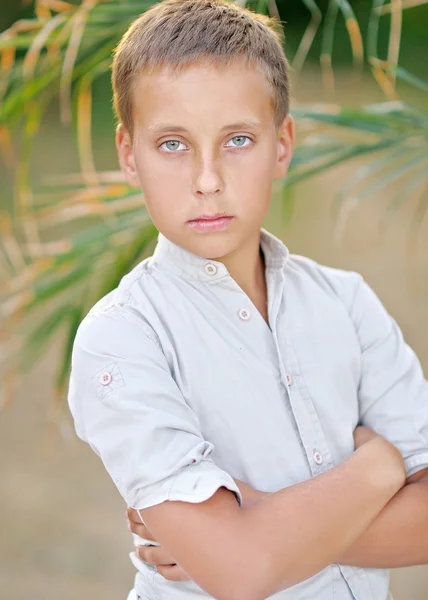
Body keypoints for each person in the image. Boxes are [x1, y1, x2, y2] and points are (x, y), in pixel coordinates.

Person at [67, 0, 428, 598]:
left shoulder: (346, 304)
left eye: (237, 138)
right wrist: (379, 469)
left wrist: (262, 523)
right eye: (173, 145)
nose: (207, 178)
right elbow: (239, 572)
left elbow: (243, 555)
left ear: (281, 143)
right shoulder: (123, 337)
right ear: (129, 153)